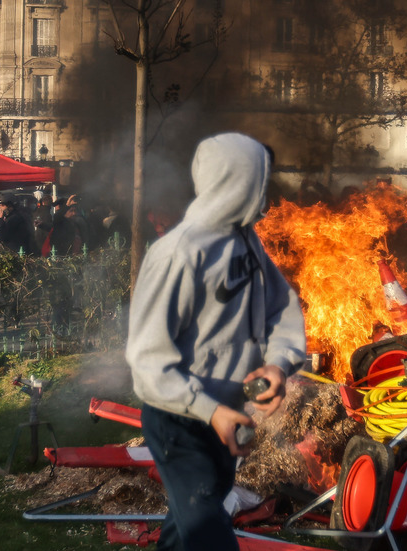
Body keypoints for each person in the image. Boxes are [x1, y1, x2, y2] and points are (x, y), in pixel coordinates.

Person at [126, 132, 307, 551]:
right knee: (207, 529)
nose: (266, 193)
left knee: (194, 516)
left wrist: (278, 364)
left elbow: (282, 306)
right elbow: (148, 361)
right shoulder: (178, 254)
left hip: (227, 411)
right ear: (236, 180)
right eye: (260, 180)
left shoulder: (247, 241)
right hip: (180, 419)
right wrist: (210, 412)